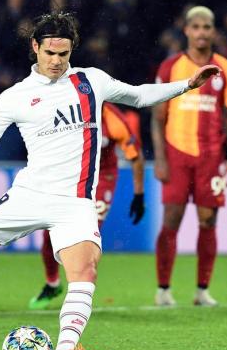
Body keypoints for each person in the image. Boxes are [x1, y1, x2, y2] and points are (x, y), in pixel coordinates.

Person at [0, 12, 219, 350]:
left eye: (64, 53)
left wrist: (187, 84)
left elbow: (139, 96)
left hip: (74, 204)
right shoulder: (16, 97)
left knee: (85, 270)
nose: (57, 61)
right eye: (49, 53)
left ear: (72, 49)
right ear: (35, 48)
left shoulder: (92, 81)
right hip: (28, 195)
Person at [151, 6, 227, 307]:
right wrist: (160, 158)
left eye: (206, 27)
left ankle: (202, 291)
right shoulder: (170, 67)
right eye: (196, 26)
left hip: (211, 157)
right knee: (171, 219)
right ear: (186, 30)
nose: (201, 32)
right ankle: (163, 289)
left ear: (213, 31)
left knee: (208, 221)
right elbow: (158, 117)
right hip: (176, 154)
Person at [29, 103, 145, 310]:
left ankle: (79, 293)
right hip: (70, 177)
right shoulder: (66, 110)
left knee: (88, 236)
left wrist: (139, 194)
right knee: (49, 234)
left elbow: (135, 155)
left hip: (102, 178)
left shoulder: (113, 118)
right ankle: (52, 283)